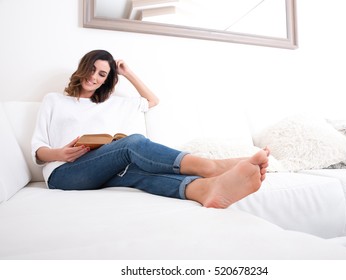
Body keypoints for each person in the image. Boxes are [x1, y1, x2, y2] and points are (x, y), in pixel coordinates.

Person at [31, 50, 269, 209]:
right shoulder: (54, 100)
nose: (94, 77)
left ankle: (204, 189)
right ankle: (212, 167)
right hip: (63, 174)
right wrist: (59, 154)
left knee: (139, 174)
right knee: (132, 144)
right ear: (82, 68)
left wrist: (127, 73)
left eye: (102, 74)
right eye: (91, 70)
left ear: (106, 79)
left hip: (99, 171)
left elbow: (151, 100)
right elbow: (38, 147)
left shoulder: (113, 104)